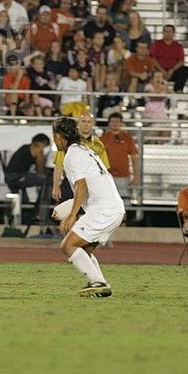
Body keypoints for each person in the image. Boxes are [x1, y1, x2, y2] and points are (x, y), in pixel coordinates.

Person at [51, 116, 124, 298]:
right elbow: (88, 187)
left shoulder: (72, 155)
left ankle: (97, 282)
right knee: (83, 249)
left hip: (103, 210)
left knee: (68, 245)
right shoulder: (84, 150)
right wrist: (69, 207)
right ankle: (101, 286)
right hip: (113, 208)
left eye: (54, 136)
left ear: (60, 136)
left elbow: (82, 186)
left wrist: (71, 216)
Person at [52, 113, 110, 202]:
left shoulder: (98, 145)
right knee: (66, 213)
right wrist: (56, 186)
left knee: (87, 213)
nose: (86, 124)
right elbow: (59, 165)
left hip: (91, 184)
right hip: (70, 181)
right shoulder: (67, 141)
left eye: (89, 122)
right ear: (78, 124)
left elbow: (104, 168)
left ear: (92, 124)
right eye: (83, 121)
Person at [4, 133, 51, 203]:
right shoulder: (36, 150)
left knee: (24, 202)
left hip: (13, 176)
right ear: (41, 144)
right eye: (44, 146)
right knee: (46, 179)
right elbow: (40, 170)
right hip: (15, 177)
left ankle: (27, 210)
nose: (44, 149)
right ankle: (44, 205)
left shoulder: (25, 148)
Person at [149, 24, 188, 93]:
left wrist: (172, 70)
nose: (168, 33)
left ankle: (177, 90)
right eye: (166, 31)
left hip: (173, 71)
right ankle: (154, 90)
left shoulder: (178, 46)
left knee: (185, 70)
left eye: (170, 31)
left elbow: (181, 61)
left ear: (173, 33)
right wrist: (162, 70)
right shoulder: (156, 44)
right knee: (151, 70)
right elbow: (153, 59)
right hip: (159, 70)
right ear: (163, 32)